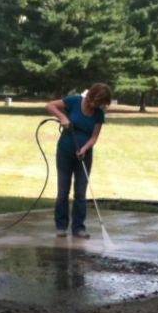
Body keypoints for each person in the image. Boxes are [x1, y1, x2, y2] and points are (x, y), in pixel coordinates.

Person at [45, 83, 112, 238]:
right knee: (63, 191)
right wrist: (63, 117)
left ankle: (79, 229)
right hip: (65, 152)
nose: (94, 105)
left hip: (84, 155)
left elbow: (94, 137)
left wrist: (85, 148)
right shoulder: (74, 101)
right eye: (94, 100)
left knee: (80, 193)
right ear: (90, 95)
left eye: (99, 103)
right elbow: (50, 106)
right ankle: (61, 227)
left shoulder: (98, 114)